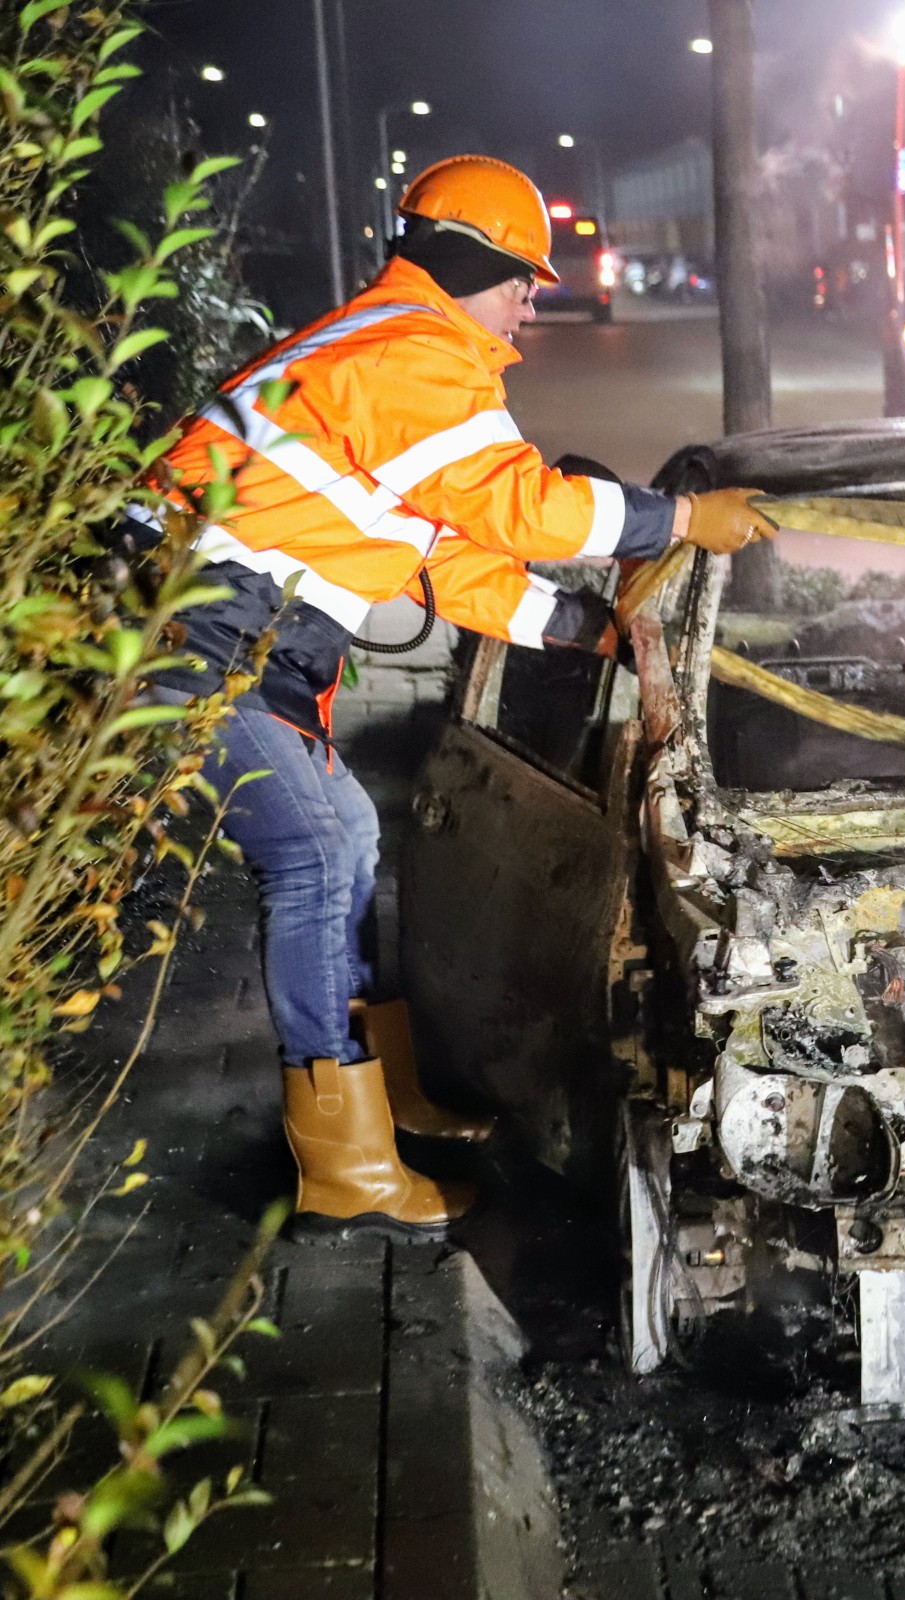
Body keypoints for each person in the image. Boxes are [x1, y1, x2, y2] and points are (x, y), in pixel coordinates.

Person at [140, 156, 776, 1239]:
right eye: (522, 276)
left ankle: (376, 1100)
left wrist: (591, 633)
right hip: (197, 640)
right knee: (323, 849)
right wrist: (675, 520)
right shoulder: (414, 358)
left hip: (232, 642)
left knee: (338, 841)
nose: (535, 296)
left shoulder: (393, 355)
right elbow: (529, 510)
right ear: (468, 261)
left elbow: (453, 563)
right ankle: (343, 1159)